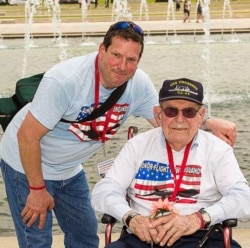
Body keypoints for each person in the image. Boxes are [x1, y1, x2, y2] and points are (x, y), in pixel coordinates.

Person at [0, 21, 236, 248]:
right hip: (26, 162)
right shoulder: (66, 80)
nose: (122, 66)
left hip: (69, 167)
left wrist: (208, 123)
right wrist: (38, 190)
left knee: (85, 234)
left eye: (131, 59)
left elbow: (170, 121)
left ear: (139, 60)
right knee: (37, 239)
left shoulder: (138, 85)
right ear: (102, 50)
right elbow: (27, 136)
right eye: (116, 55)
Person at [92, 78, 250, 248]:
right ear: (158, 114)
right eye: (171, 111)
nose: (179, 119)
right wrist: (131, 218)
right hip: (143, 235)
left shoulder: (217, 149)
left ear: (200, 116)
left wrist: (198, 219)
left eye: (189, 112)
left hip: (201, 236)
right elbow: (105, 190)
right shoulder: (137, 145)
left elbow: (242, 197)